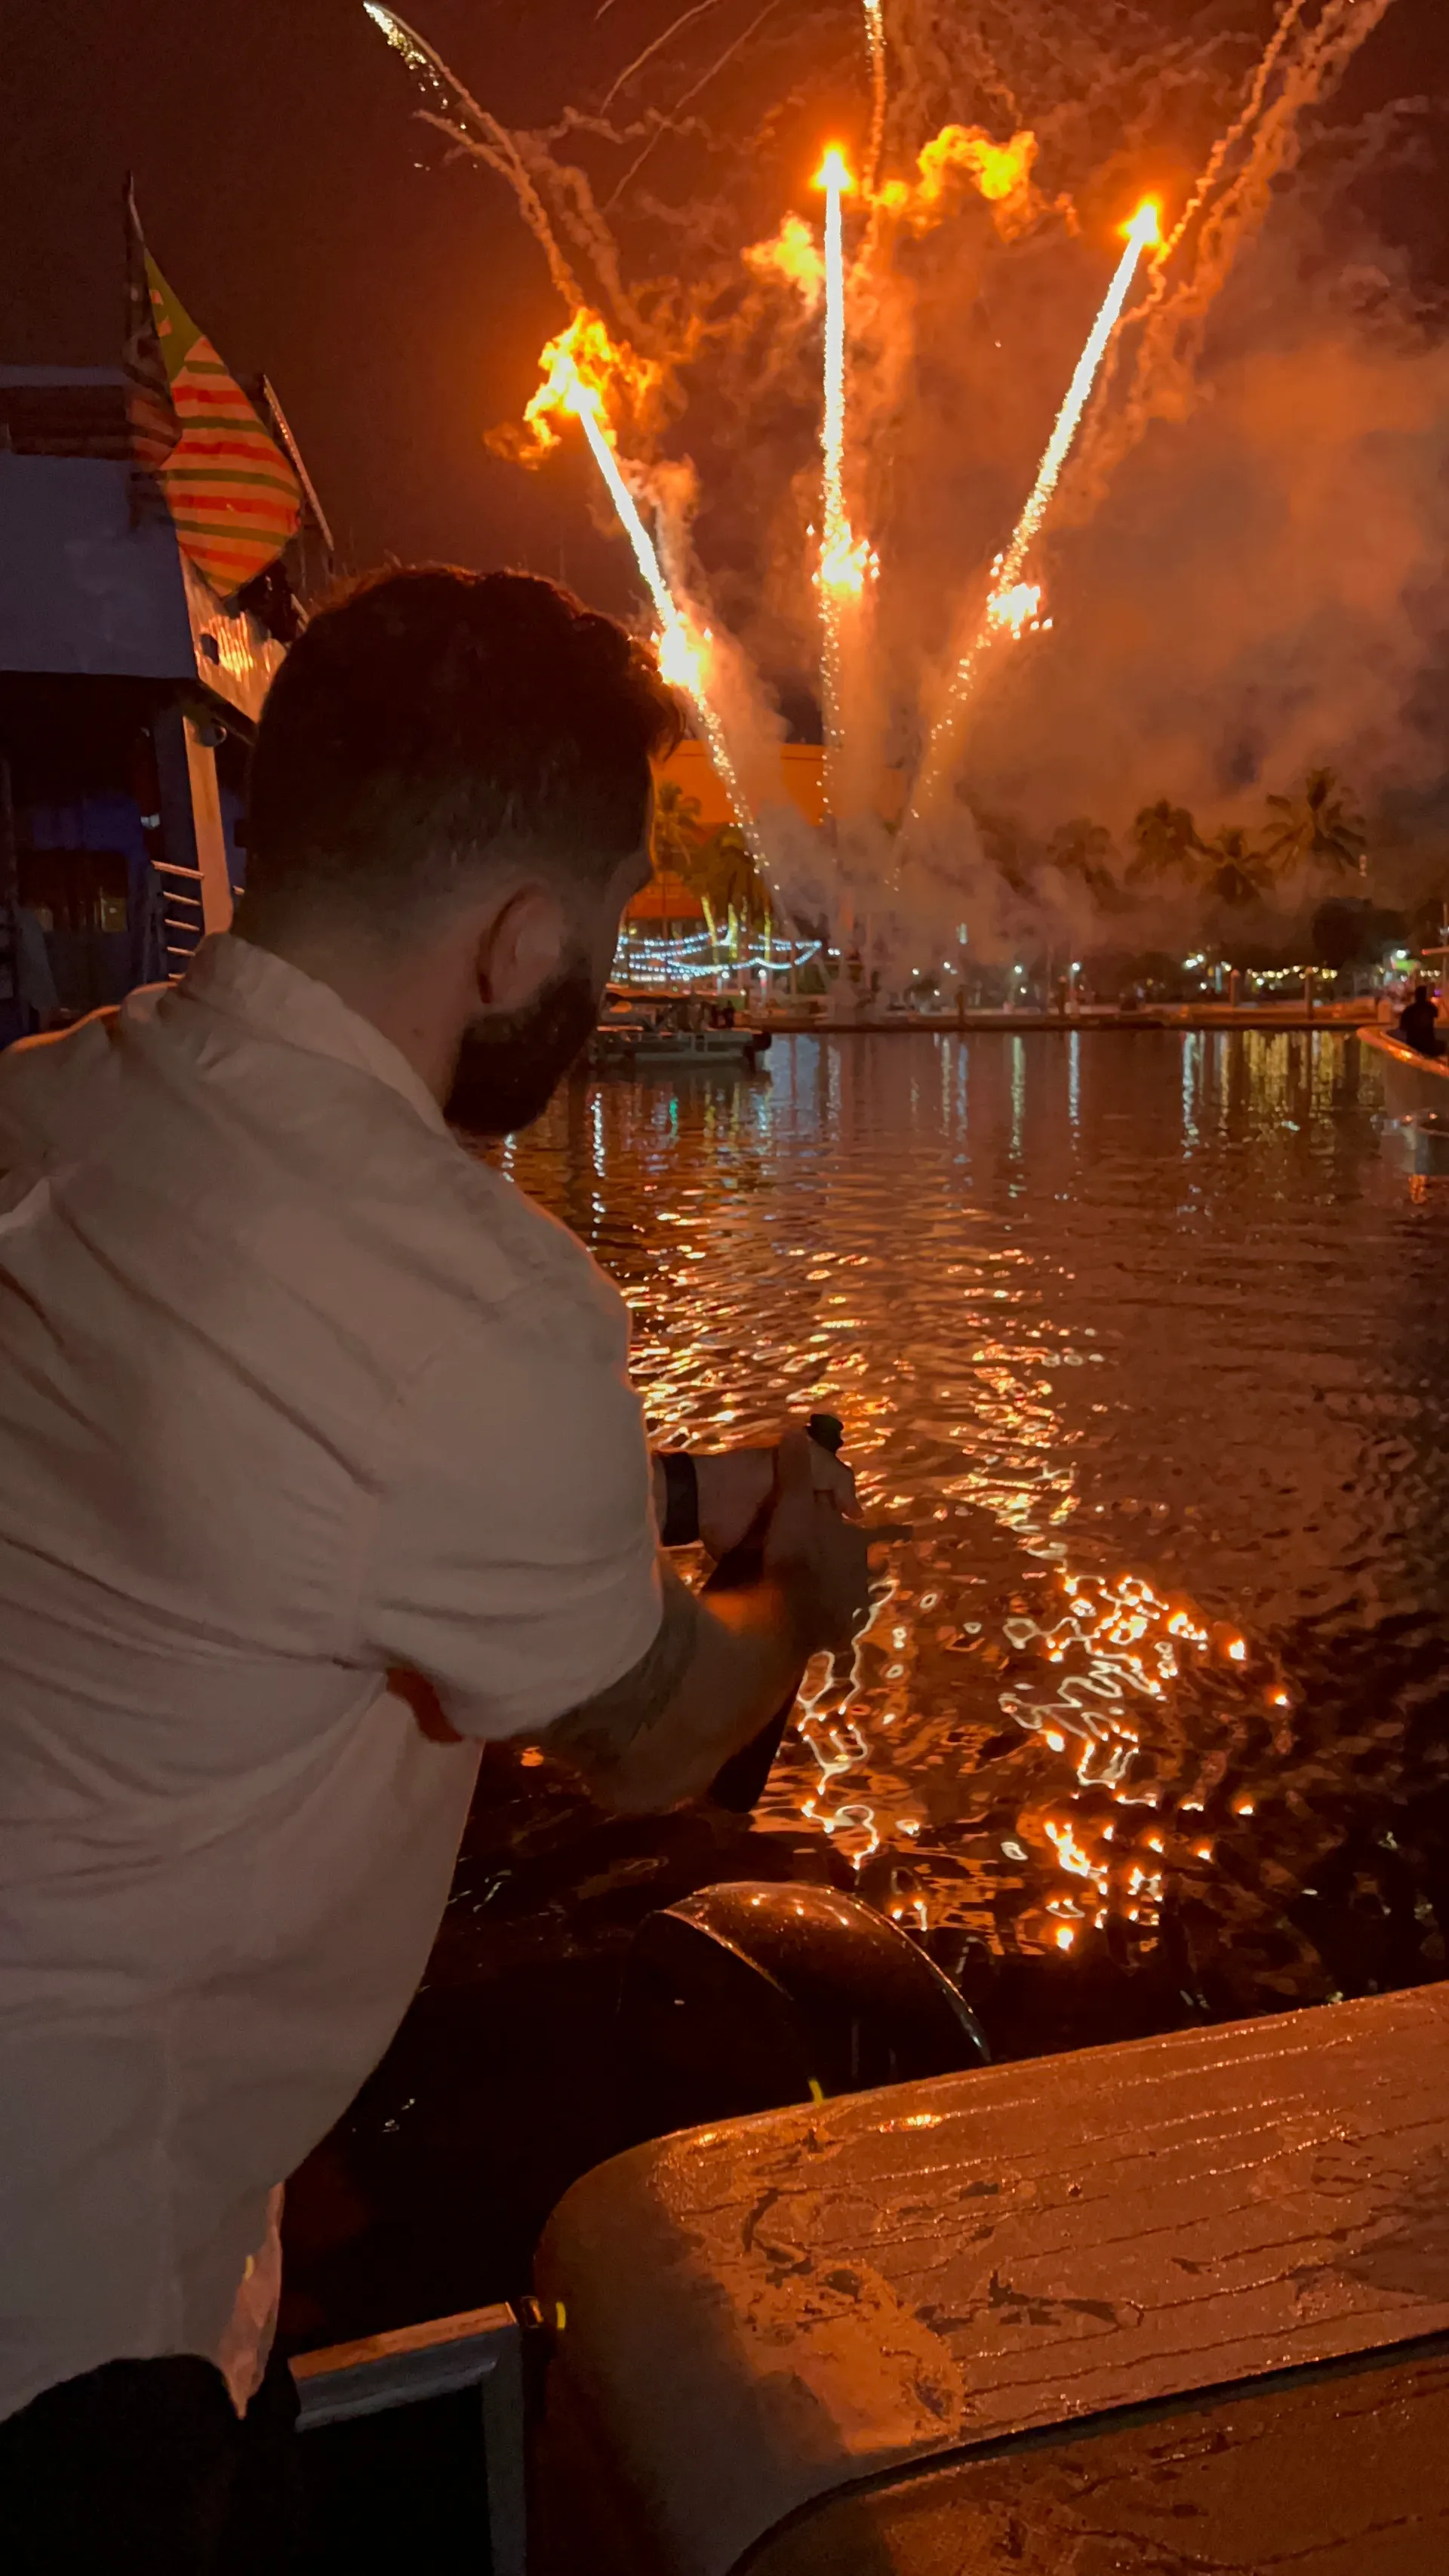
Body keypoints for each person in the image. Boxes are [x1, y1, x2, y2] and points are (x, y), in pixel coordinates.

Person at [0, 566, 870, 2568]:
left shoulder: (67, 1098)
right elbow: (648, 1739)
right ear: (521, 938)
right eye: (621, 914)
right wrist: (800, 1584)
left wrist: (667, 1483)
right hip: (71, 2300)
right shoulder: (472, 1295)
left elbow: (252, 1460)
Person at [1397, 981, 1446, 1058]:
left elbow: (1402, 1028)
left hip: (1412, 1044)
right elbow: (1437, 1015)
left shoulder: (1409, 1010)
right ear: (1426, 996)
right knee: (1444, 1044)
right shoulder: (1431, 1008)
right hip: (1429, 1045)